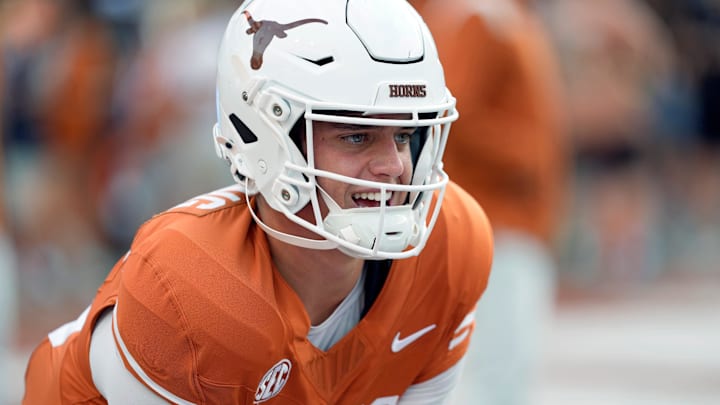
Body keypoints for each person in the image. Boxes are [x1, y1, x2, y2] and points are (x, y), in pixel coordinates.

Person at [23, 1, 494, 404]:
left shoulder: (449, 244)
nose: (393, 166)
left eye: (405, 135)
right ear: (266, 137)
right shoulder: (190, 286)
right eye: (356, 135)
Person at [409, 0, 569, 404]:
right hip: (496, 223)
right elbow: (450, 111)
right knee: (497, 376)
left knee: (499, 372)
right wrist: (531, 155)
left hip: (502, 219)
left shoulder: (487, 15)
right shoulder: (478, 17)